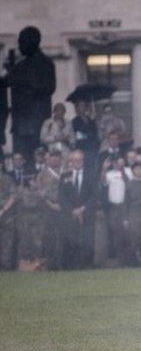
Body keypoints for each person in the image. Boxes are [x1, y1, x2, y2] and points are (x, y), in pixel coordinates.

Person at [2, 26, 56, 166]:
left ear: (33, 41)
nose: (19, 46)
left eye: (21, 41)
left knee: (37, 162)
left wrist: (18, 77)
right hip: (21, 124)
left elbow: (47, 88)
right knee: (21, 162)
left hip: (36, 124)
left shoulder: (45, 64)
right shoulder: (20, 65)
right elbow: (6, 82)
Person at [59, 150, 97, 269]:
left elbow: (95, 195)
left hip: (87, 215)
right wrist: (72, 210)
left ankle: (87, 268)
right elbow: (62, 197)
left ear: (83, 160)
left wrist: (83, 208)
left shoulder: (91, 174)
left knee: (88, 243)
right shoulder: (65, 176)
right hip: (70, 216)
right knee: (71, 242)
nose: (77, 162)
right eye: (74, 160)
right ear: (71, 161)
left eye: (79, 160)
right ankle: (71, 268)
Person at [36, 150, 63, 268]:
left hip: (64, 209)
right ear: (49, 159)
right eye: (53, 157)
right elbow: (40, 193)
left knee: (62, 236)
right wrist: (51, 205)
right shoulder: (42, 175)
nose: (55, 159)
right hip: (48, 209)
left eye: (58, 157)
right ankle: (50, 264)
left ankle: (62, 262)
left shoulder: (66, 172)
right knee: (49, 237)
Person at [14, 175, 46, 271]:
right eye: (30, 180)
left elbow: (44, 196)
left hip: (37, 219)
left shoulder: (38, 190)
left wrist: (37, 188)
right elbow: (14, 199)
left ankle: (37, 264)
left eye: (33, 179)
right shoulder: (20, 190)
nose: (32, 181)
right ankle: (24, 264)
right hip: (24, 219)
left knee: (37, 242)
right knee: (24, 242)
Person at [102, 156, 128, 264]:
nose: (117, 164)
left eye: (119, 162)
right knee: (113, 232)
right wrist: (104, 168)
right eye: (115, 162)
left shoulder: (127, 171)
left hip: (124, 206)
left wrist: (122, 170)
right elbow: (103, 181)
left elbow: (129, 182)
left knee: (124, 233)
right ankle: (116, 259)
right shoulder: (109, 174)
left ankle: (125, 259)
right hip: (113, 207)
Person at [71, 100, 99, 167]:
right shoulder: (74, 121)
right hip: (82, 147)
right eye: (81, 106)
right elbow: (77, 134)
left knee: (93, 166)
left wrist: (94, 121)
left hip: (92, 147)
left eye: (84, 105)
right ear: (77, 108)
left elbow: (95, 132)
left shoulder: (90, 119)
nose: (83, 107)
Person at [0, 172, 17, 270]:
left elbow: (13, 196)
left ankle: (6, 267)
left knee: (7, 242)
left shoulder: (7, 179)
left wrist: (3, 210)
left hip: (7, 217)